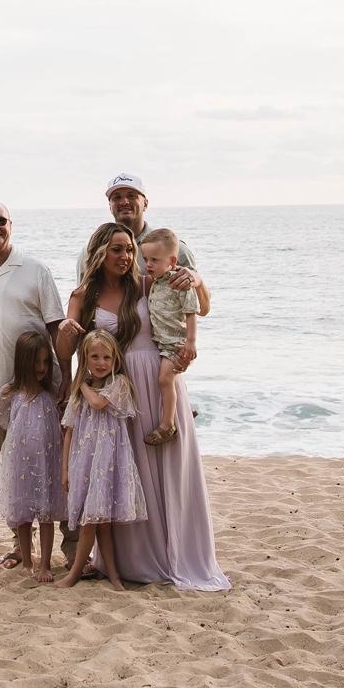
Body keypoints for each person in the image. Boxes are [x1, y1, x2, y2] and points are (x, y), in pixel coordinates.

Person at [59, 223, 230, 591]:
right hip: (119, 388)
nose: (126, 257)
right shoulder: (83, 293)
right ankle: (131, 559)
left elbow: (202, 308)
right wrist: (65, 333)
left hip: (155, 376)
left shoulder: (147, 283)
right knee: (129, 469)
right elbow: (67, 352)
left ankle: (176, 554)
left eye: (129, 250)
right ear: (99, 253)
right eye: (117, 250)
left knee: (166, 467)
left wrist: (197, 278)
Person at [0, 199, 66, 568]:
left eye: (0, 220)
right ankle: (21, 548)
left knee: (55, 469)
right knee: (17, 471)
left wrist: (66, 381)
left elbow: (56, 327)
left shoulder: (35, 269)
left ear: (11, 225)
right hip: (0, 392)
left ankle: (67, 547)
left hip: (44, 389)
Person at [0, 330, 66, 584]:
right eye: (36, 362)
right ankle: (28, 562)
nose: (42, 368)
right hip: (20, 462)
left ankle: (44, 564)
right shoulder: (11, 392)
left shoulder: (51, 393)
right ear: (23, 362)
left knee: (45, 515)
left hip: (47, 462)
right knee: (22, 513)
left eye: (45, 362)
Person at [56, 330, 148, 591]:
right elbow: (69, 431)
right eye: (94, 357)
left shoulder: (118, 383)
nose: (100, 363)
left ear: (115, 359)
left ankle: (79, 574)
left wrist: (81, 383)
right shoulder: (78, 394)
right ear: (85, 358)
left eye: (106, 357)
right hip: (85, 462)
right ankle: (109, 575)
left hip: (108, 463)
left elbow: (97, 404)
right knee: (96, 521)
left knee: (97, 522)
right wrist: (65, 469)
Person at [76, 174, 210, 323]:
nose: (124, 201)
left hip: (165, 344)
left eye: (132, 196)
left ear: (145, 203)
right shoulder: (91, 252)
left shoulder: (174, 248)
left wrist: (197, 280)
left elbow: (202, 309)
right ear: (110, 206)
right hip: (111, 344)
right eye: (117, 197)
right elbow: (83, 307)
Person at [137, 228, 199, 447]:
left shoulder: (178, 283)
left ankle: (168, 425)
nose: (148, 264)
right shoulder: (156, 282)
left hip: (176, 343)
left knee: (165, 379)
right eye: (145, 259)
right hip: (161, 343)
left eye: (154, 259)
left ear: (172, 261)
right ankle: (182, 408)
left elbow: (191, 312)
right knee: (167, 380)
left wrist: (190, 342)